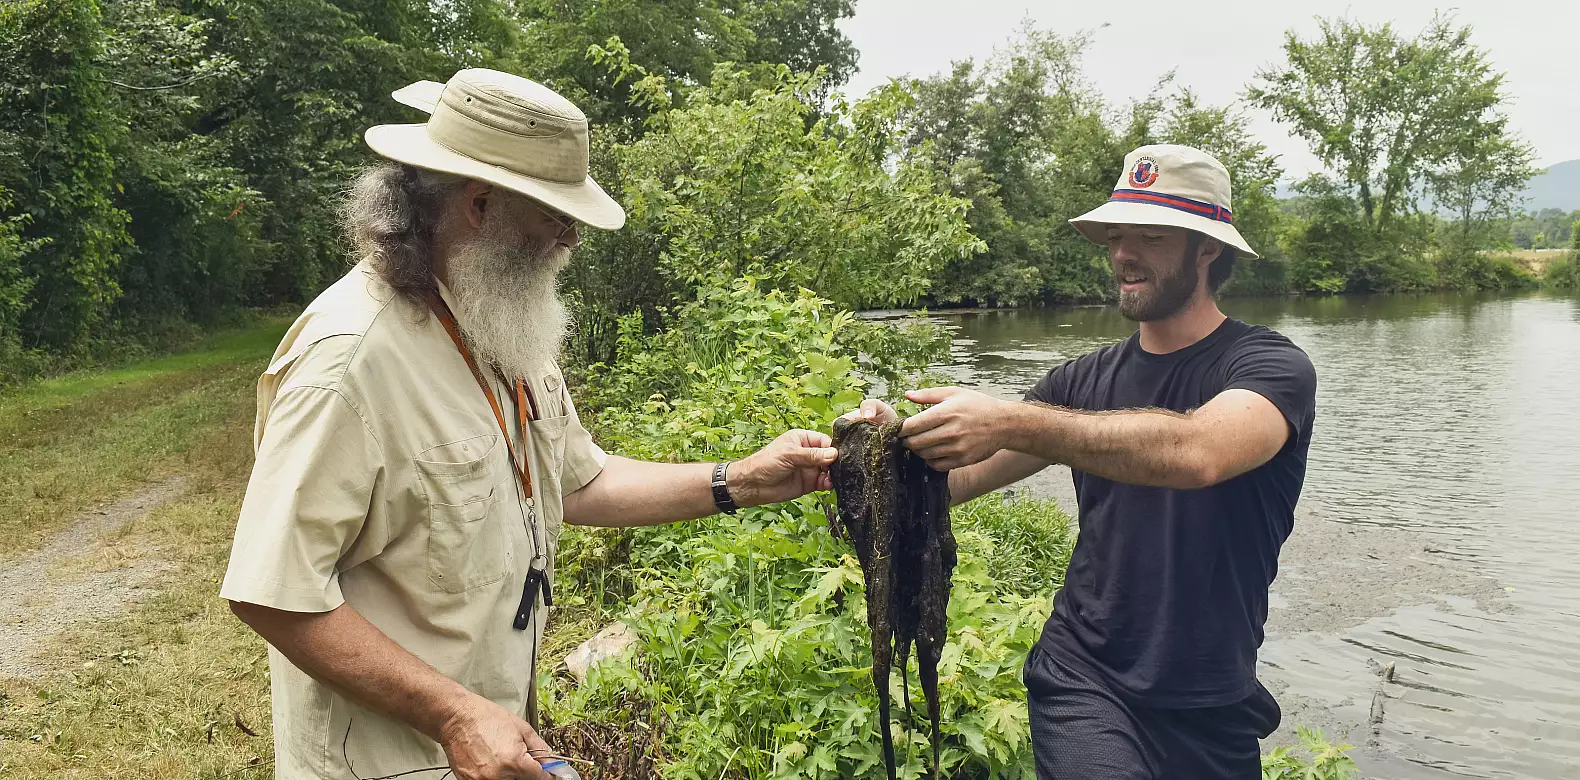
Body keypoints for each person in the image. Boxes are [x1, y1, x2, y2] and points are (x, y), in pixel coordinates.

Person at [219, 69, 838, 780]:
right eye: (554, 213)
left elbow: (579, 480)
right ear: (479, 207)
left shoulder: (499, 323)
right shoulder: (349, 366)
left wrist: (745, 481)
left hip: (491, 748)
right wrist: (454, 714)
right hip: (385, 763)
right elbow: (273, 592)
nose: (571, 236)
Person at [851, 145, 1317, 778]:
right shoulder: (1082, 380)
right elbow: (958, 479)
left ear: (1208, 249)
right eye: (1115, 234)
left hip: (1214, 700)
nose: (1124, 253)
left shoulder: (1270, 368)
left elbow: (1199, 451)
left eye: (1150, 237)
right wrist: (890, 448)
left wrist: (1009, 417)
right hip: (1083, 679)